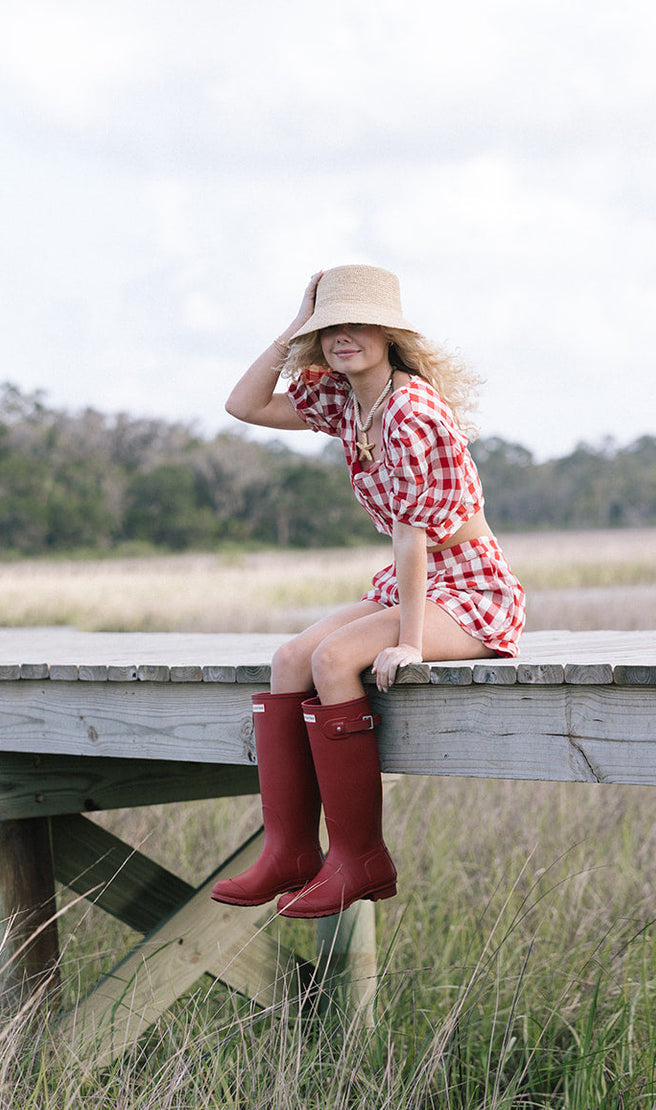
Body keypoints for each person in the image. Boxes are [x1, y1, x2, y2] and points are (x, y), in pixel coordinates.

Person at [211, 264, 525, 919]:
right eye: (330, 327)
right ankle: (290, 851)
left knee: (332, 659)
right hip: (411, 581)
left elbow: (412, 536)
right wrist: (295, 326)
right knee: (290, 659)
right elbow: (244, 406)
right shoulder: (348, 401)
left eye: (357, 325)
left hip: (467, 585)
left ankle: (359, 857)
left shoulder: (411, 411)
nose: (342, 337)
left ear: (388, 335)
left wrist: (409, 643)